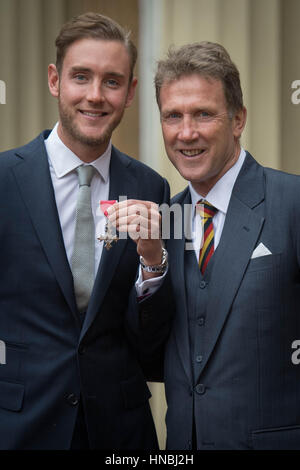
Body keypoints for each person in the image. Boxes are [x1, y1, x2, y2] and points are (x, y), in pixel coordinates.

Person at [0, 12, 172, 450]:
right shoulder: (4, 179)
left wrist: (154, 263)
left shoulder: (152, 188)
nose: (95, 96)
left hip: (120, 432)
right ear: (56, 80)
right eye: (82, 77)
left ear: (131, 92)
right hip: (21, 425)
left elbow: (151, 340)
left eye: (112, 81)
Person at [154, 41, 300, 450]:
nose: (187, 133)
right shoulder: (164, 221)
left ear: (238, 120)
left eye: (203, 114)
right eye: (173, 116)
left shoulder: (292, 203)